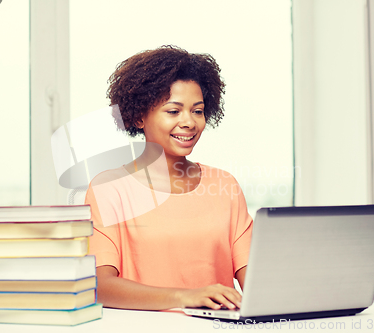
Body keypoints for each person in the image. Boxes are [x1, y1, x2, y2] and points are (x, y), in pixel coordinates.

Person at [84, 45, 253, 311]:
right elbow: (99, 286)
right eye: (173, 111)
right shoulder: (110, 189)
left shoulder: (224, 186)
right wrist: (185, 297)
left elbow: (257, 282)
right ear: (139, 116)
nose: (189, 122)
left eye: (197, 111)